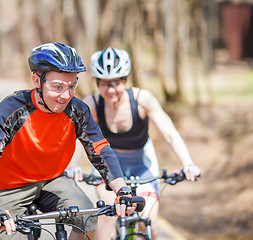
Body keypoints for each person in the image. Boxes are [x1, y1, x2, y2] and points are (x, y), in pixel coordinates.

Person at [0, 43, 136, 240]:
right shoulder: (10, 110)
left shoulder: (78, 110)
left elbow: (100, 149)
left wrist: (122, 190)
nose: (66, 95)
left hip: (53, 179)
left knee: (88, 217)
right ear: (37, 81)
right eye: (57, 87)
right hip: (10, 187)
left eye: (72, 86)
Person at [67, 47, 200, 240]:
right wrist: (72, 167)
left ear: (126, 80)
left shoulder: (142, 99)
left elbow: (169, 132)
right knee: (108, 216)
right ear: (96, 83)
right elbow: (80, 138)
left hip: (142, 166)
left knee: (149, 221)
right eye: (104, 84)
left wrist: (187, 163)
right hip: (109, 170)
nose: (111, 90)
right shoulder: (92, 103)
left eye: (116, 83)